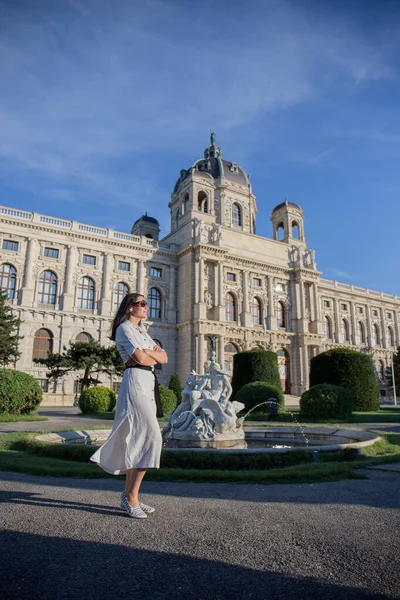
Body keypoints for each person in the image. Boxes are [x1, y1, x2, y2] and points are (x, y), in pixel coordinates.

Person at [90, 292, 168, 519]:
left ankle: (130, 496)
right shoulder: (124, 329)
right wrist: (149, 354)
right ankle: (130, 497)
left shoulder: (143, 331)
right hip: (135, 380)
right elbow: (142, 359)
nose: (146, 306)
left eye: (146, 303)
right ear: (130, 307)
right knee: (151, 435)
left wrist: (150, 354)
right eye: (141, 303)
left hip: (148, 381)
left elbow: (164, 358)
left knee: (141, 437)